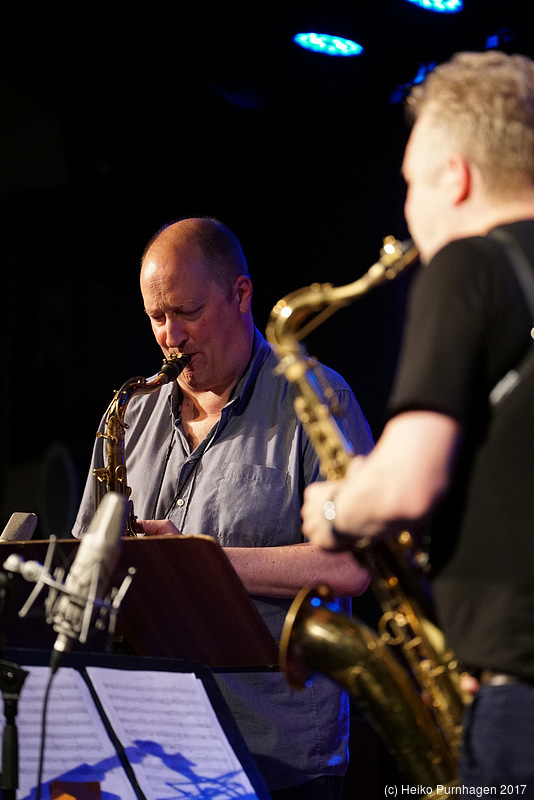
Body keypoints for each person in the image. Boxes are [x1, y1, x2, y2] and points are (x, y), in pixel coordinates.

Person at [73, 216, 373, 799]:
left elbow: (355, 565)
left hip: (278, 753)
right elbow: (85, 565)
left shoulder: (318, 398)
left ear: (241, 294)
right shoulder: (129, 417)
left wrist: (199, 561)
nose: (171, 338)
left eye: (187, 312)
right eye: (156, 318)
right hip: (150, 746)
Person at [301, 50, 534, 794]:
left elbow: (406, 484)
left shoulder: (470, 264)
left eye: (410, 184)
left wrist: (336, 507)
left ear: (456, 177)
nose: (407, 211)